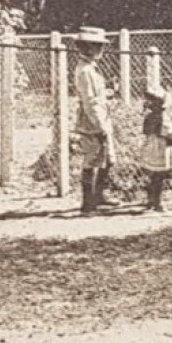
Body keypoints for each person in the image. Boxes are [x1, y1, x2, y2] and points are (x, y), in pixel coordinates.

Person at [71, 27, 115, 214]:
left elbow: (96, 96)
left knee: (108, 159)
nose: (100, 50)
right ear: (86, 47)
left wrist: (109, 92)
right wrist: (100, 125)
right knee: (93, 160)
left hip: (100, 116)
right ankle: (88, 203)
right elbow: (89, 101)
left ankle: (99, 196)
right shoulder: (85, 71)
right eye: (96, 46)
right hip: (92, 122)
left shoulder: (91, 69)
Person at [138, 85, 172, 213]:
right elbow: (167, 132)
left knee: (154, 175)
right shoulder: (162, 116)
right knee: (160, 176)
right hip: (161, 147)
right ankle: (157, 203)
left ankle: (151, 200)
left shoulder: (150, 116)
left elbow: (146, 132)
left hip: (151, 146)